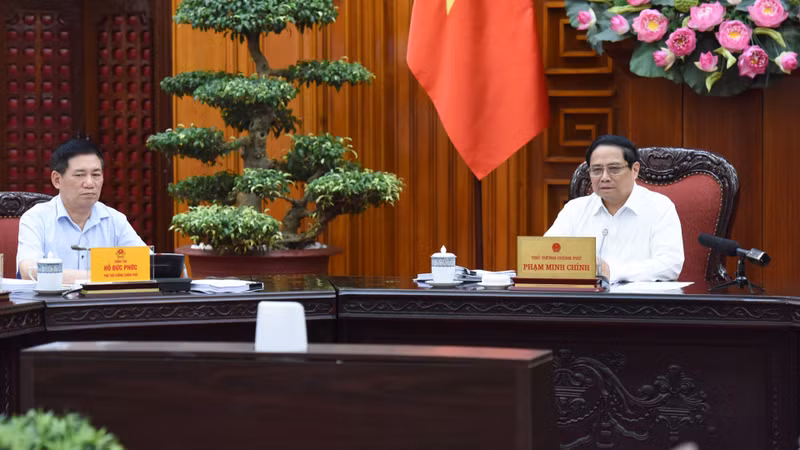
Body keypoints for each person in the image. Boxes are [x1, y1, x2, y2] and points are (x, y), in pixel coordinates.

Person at [544, 134, 684, 282]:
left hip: (639, 303)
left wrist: (612, 271)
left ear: (635, 170)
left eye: (614, 169)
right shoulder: (575, 209)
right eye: (596, 170)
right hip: (583, 301)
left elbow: (670, 265)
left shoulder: (659, 207)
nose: (604, 177)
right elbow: (547, 255)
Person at [17, 138, 146, 284]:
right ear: (57, 180)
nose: (90, 183)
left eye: (96, 175)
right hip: (55, 305)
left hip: (104, 304)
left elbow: (146, 266)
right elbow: (29, 271)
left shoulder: (115, 219)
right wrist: (100, 276)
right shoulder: (36, 218)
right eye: (79, 175)